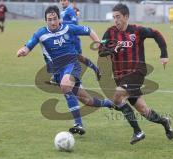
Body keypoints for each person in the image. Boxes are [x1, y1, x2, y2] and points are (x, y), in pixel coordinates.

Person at [17, 5, 113, 136]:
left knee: (65, 85)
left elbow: (89, 30)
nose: (52, 22)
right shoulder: (41, 33)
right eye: (49, 19)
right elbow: (29, 45)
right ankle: (110, 103)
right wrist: (24, 51)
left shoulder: (68, 28)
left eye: (54, 19)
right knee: (87, 101)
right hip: (58, 72)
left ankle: (78, 124)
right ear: (45, 20)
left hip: (72, 65)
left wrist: (99, 45)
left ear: (59, 19)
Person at [99, 3, 173, 144]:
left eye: (118, 17)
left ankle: (138, 132)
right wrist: (113, 50)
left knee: (117, 96)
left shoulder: (137, 31)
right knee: (144, 110)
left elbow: (156, 34)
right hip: (120, 76)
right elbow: (101, 50)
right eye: (114, 17)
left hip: (136, 72)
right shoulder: (109, 32)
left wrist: (164, 53)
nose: (116, 20)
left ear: (126, 17)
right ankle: (165, 122)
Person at [59, 0, 101, 80]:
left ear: (68, 1)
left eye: (64, 0)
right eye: (61, 0)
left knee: (76, 58)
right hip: (67, 39)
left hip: (73, 39)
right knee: (74, 58)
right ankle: (95, 69)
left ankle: (64, 77)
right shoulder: (63, 11)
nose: (62, 2)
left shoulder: (70, 10)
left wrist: (62, 22)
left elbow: (75, 22)